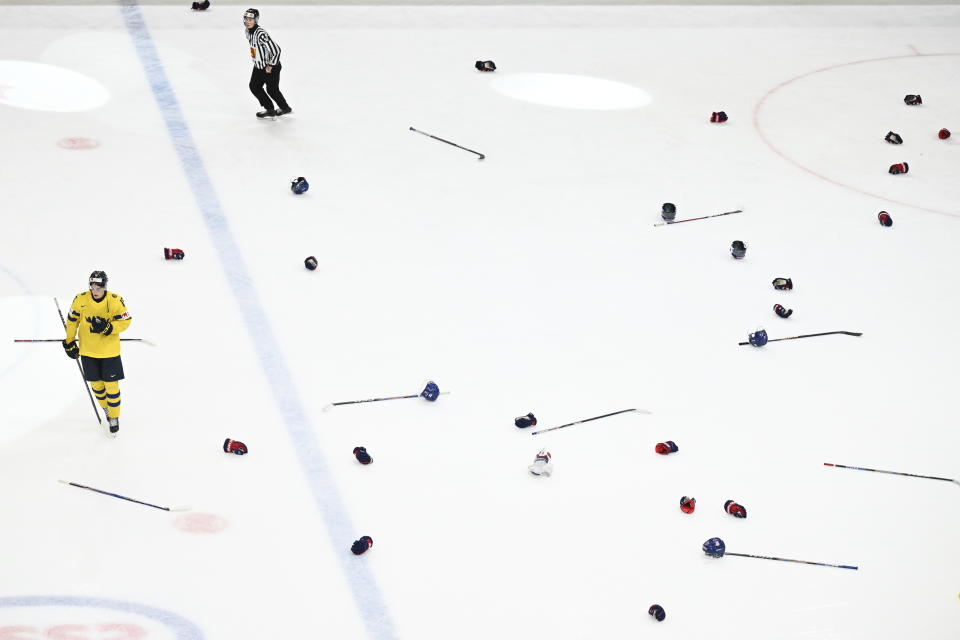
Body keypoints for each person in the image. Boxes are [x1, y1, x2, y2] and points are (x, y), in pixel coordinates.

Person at [62, 271, 132, 436]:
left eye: (98, 287)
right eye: (92, 286)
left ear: (104, 286)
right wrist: (69, 341)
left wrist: (109, 328)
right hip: (88, 351)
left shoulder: (115, 300)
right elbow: (72, 321)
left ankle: (114, 417)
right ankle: (107, 409)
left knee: (111, 386)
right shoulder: (80, 299)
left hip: (109, 352)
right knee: (97, 387)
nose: (95, 290)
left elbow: (125, 321)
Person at [243, 8, 292, 119]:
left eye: (251, 19)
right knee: (254, 86)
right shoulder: (247, 31)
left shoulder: (261, 34)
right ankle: (270, 109)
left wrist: (271, 65)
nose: (248, 21)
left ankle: (285, 108)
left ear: (256, 20)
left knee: (272, 89)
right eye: (246, 18)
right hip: (258, 66)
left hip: (270, 67)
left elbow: (276, 50)